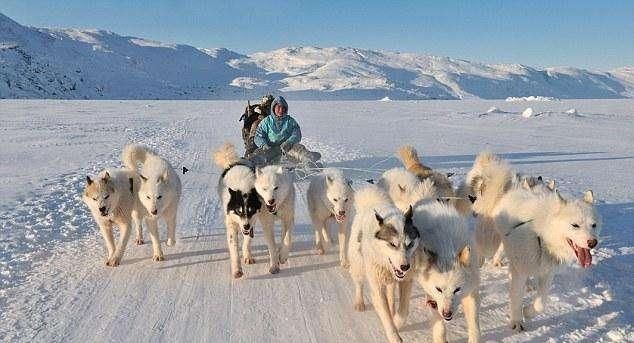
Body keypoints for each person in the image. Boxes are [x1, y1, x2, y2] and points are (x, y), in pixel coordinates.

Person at [248, 95, 321, 165]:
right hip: (269, 149)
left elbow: (297, 134)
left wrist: (289, 142)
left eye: (283, 108)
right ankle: (248, 164)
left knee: (299, 149)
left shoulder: (290, 121)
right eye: (278, 107)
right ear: (273, 108)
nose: (281, 110)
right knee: (259, 154)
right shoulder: (266, 121)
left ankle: (310, 162)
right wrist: (263, 145)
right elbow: (258, 135)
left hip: (287, 148)